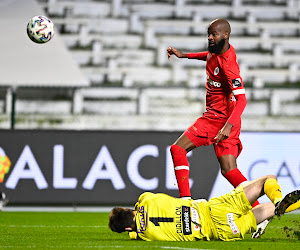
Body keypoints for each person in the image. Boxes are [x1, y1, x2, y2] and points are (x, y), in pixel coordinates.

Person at [166, 18, 257, 207]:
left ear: (226, 35)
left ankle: (186, 202)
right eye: (208, 34)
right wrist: (183, 56)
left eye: (214, 34)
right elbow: (207, 55)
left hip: (219, 119)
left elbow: (242, 99)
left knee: (178, 149)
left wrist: (227, 126)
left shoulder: (229, 65)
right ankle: (261, 209)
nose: (209, 38)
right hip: (224, 117)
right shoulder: (215, 52)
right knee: (229, 170)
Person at [109, 175, 300, 241]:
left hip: (222, 231)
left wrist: (133, 231)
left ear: (127, 229)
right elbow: (141, 200)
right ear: (130, 210)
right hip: (213, 210)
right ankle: (277, 201)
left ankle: (274, 208)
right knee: (267, 179)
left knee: (265, 210)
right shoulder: (146, 201)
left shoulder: (145, 235)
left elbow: (135, 232)